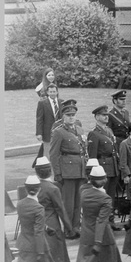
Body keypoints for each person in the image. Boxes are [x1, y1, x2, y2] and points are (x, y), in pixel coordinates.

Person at [69, 166, 124, 262]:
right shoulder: (105, 199)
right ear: (104, 180)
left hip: (87, 236)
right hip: (104, 239)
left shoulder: (84, 193)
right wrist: (98, 241)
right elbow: (101, 221)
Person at [10, 176, 59, 262]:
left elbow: (29, 221)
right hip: (37, 246)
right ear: (39, 189)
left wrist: (46, 227)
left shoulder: (20, 204)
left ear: (26, 189)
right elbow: (37, 232)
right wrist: (40, 251)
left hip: (24, 243)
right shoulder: (39, 208)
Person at [32, 157, 72, 262]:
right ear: (50, 171)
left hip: (37, 227)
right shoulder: (53, 188)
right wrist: (69, 228)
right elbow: (61, 210)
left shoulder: (33, 187)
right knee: (57, 259)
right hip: (52, 226)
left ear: (37, 172)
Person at [49, 100, 87, 233]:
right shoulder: (59, 132)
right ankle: (69, 229)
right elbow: (53, 154)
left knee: (78, 202)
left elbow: (84, 150)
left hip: (80, 169)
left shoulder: (80, 129)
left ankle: (76, 227)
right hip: (67, 171)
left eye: (73, 115)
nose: (71, 117)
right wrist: (57, 173)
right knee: (68, 203)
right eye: (68, 115)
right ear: (63, 117)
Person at [88, 105, 122, 202]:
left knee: (111, 194)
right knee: (103, 194)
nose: (106, 117)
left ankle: (110, 213)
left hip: (114, 166)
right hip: (102, 167)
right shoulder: (94, 134)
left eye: (107, 115)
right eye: (103, 115)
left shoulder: (109, 130)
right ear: (97, 117)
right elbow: (92, 156)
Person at [35, 84, 62, 159]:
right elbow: (39, 119)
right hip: (47, 132)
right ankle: (47, 168)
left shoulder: (62, 102)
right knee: (48, 153)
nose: (52, 93)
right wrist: (39, 133)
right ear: (47, 92)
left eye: (54, 91)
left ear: (57, 92)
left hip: (60, 131)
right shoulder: (42, 103)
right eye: (51, 92)